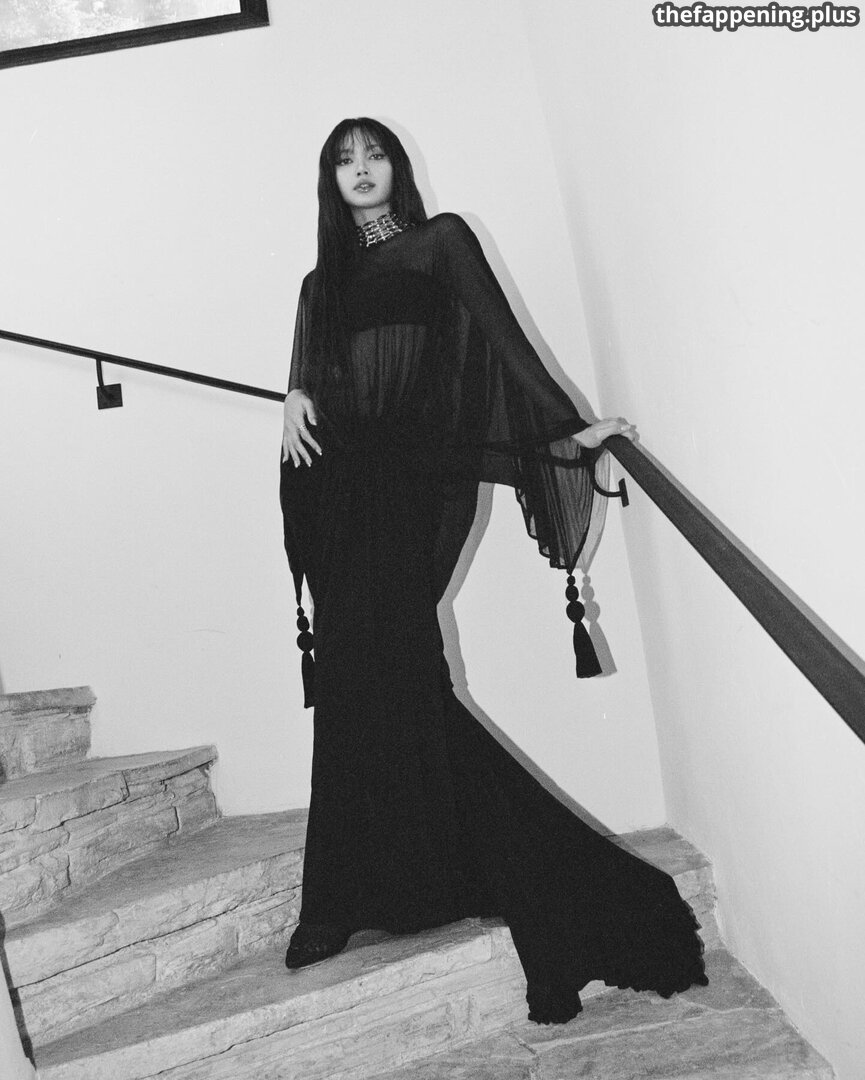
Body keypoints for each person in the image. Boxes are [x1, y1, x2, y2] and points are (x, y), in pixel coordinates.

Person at [278, 117, 708, 1025]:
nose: (362, 170)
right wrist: (293, 394)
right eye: (345, 161)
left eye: (374, 154)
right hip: (336, 490)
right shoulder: (321, 282)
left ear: (397, 167)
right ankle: (354, 895)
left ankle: (428, 887)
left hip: (416, 484)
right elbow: (312, 375)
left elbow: (503, 340)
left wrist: (567, 427)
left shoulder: (441, 242)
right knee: (361, 680)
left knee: (401, 673)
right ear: (329, 181)